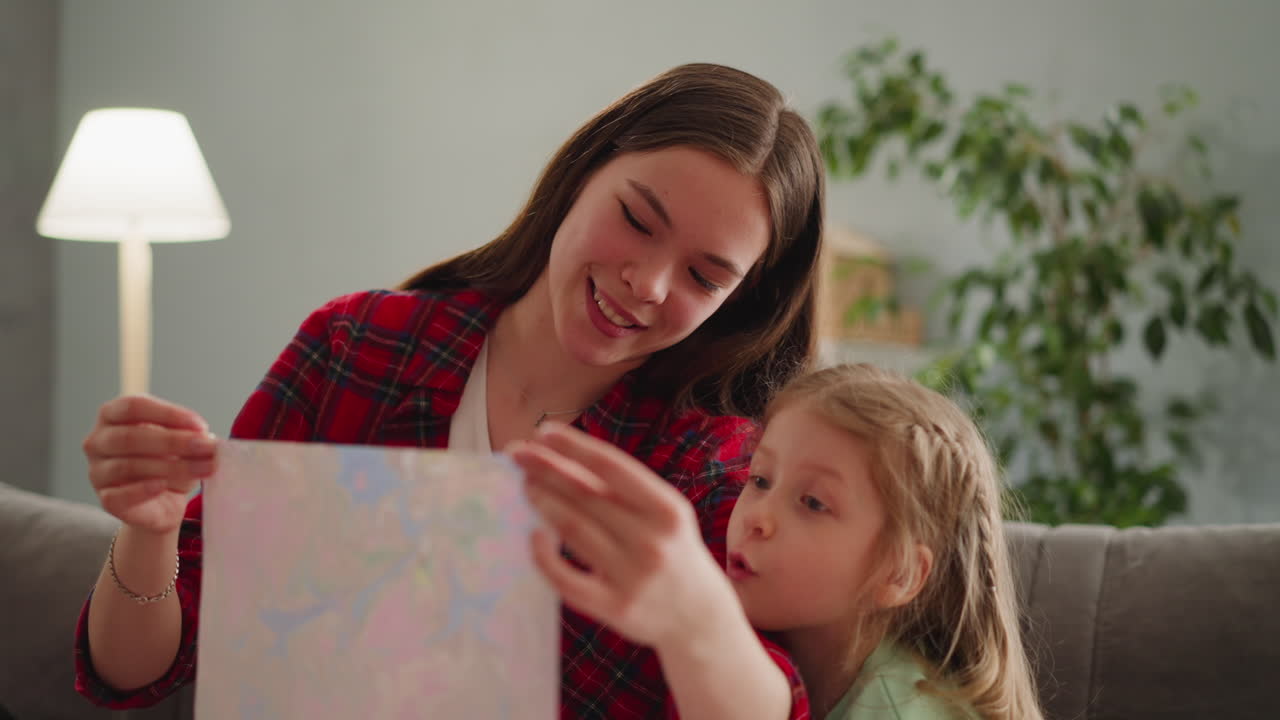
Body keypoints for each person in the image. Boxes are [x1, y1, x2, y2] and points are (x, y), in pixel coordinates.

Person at [75, 63, 826, 719]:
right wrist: (150, 531)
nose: (648, 283)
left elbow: (774, 702)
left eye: (704, 277)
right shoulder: (356, 347)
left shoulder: (713, 461)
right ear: (583, 174)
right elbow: (130, 675)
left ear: (742, 301)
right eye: (635, 220)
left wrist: (696, 614)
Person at [514, 363, 1044, 719]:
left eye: (813, 503)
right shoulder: (786, 646)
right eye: (760, 480)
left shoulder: (898, 707)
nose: (757, 518)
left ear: (898, 574)